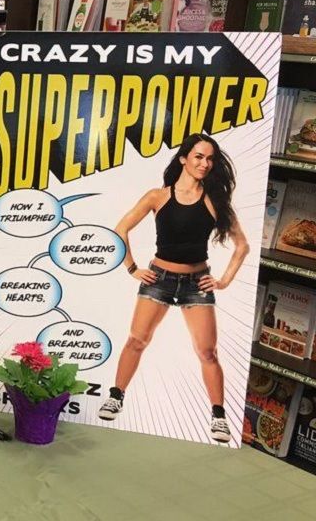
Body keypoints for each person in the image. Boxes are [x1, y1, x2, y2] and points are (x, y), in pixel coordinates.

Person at [100, 133, 248, 444]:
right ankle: (116, 396)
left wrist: (222, 281)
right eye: (198, 156)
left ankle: (218, 416)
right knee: (137, 340)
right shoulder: (158, 196)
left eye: (209, 159)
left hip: (198, 282)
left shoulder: (215, 201)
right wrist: (132, 268)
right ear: (183, 158)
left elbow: (242, 246)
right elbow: (120, 230)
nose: (205, 164)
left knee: (207, 352)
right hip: (159, 278)